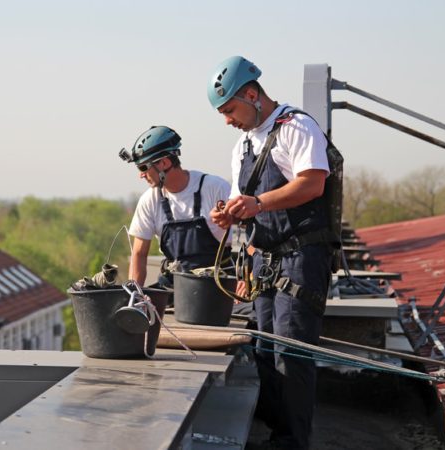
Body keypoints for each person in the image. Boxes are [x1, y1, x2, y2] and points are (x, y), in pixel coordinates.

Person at [208, 56, 334, 450]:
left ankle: (293, 442)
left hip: (300, 258)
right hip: (262, 258)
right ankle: (277, 432)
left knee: (291, 353)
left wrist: (258, 203)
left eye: (230, 110)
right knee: (263, 346)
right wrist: (229, 214)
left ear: (252, 95)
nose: (227, 120)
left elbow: (313, 184)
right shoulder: (243, 145)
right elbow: (240, 200)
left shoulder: (296, 127)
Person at [119, 125, 231, 287]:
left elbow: (246, 238)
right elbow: (139, 254)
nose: (141, 175)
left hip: (219, 281)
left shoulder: (215, 188)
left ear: (164, 163)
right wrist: (135, 295)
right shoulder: (149, 200)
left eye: (143, 167)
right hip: (175, 283)